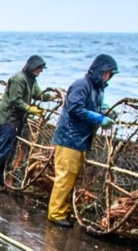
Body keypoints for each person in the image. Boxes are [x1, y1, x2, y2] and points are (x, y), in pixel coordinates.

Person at [48, 54, 119, 227]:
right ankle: (55, 213)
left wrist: (105, 110)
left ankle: (63, 210)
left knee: (72, 177)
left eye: (110, 74)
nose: (107, 77)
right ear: (99, 71)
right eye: (106, 73)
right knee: (64, 177)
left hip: (80, 139)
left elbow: (92, 106)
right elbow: (74, 108)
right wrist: (98, 118)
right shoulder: (82, 84)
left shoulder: (97, 89)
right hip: (69, 138)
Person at [0, 55, 47, 191]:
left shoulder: (31, 80)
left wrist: (49, 96)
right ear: (32, 67)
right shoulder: (18, 79)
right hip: (8, 119)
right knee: (1, 150)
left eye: (41, 70)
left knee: (7, 151)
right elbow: (15, 100)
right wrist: (29, 109)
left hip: (16, 121)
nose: (39, 72)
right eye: (38, 69)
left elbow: (38, 94)